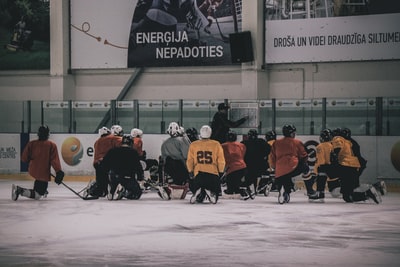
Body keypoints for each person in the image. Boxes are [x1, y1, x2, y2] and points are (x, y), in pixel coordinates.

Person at [12, 125, 64, 201]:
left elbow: (24, 158)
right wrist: (58, 172)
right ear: (47, 134)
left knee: (39, 184)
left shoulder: (31, 144)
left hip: (33, 170)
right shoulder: (51, 145)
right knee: (38, 195)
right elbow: (54, 161)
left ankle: (42, 189)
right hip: (43, 173)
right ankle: (19, 190)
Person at [330, 127, 381, 204]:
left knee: (347, 195)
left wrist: (334, 158)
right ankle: (374, 190)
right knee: (351, 190)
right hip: (354, 166)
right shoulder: (348, 141)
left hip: (346, 166)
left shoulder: (338, 138)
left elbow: (337, 151)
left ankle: (369, 193)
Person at [186, 125, 225, 204]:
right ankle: (212, 193)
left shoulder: (193, 144)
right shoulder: (216, 144)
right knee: (215, 191)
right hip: (212, 174)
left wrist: (190, 171)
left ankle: (198, 192)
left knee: (195, 184)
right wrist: (220, 172)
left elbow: (190, 160)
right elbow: (221, 161)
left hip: (198, 175)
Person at [270, 124, 308, 204]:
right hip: (292, 167)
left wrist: (274, 168)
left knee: (284, 178)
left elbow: (272, 158)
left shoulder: (276, 143)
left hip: (279, 171)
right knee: (305, 167)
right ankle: (310, 190)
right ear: (291, 133)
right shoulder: (297, 142)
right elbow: (304, 156)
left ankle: (284, 190)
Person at [101, 135, 144, 200]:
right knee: (136, 194)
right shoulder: (133, 152)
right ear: (131, 143)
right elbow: (138, 167)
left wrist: (105, 178)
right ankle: (124, 190)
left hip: (113, 176)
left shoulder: (112, 151)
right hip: (127, 177)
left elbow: (104, 164)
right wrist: (140, 178)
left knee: (114, 182)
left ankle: (113, 190)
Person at [86, 126, 121, 198]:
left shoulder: (97, 141)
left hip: (96, 163)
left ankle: (97, 189)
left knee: (101, 181)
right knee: (112, 177)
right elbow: (121, 141)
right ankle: (112, 189)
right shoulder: (112, 138)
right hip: (106, 162)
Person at [221, 130, 250, 200]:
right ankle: (243, 189)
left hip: (232, 169)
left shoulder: (223, 146)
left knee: (230, 190)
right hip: (243, 167)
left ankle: (242, 191)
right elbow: (242, 155)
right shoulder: (241, 145)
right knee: (236, 184)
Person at [307, 129, 334, 201]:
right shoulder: (332, 145)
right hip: (333, 168)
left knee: (321, 172)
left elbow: (321, 161)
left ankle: (320, 192)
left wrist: (317, 170)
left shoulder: (320, 146)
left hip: (325, 168)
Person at [241, 129, 270, 196]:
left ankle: (247, 186)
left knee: (248, 176)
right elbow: (269, 150)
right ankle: (262, 186)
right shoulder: (261, 141)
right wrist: (264, 156)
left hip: (247, 166)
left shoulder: (243, 143)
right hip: (261, 166)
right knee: (265, 173)